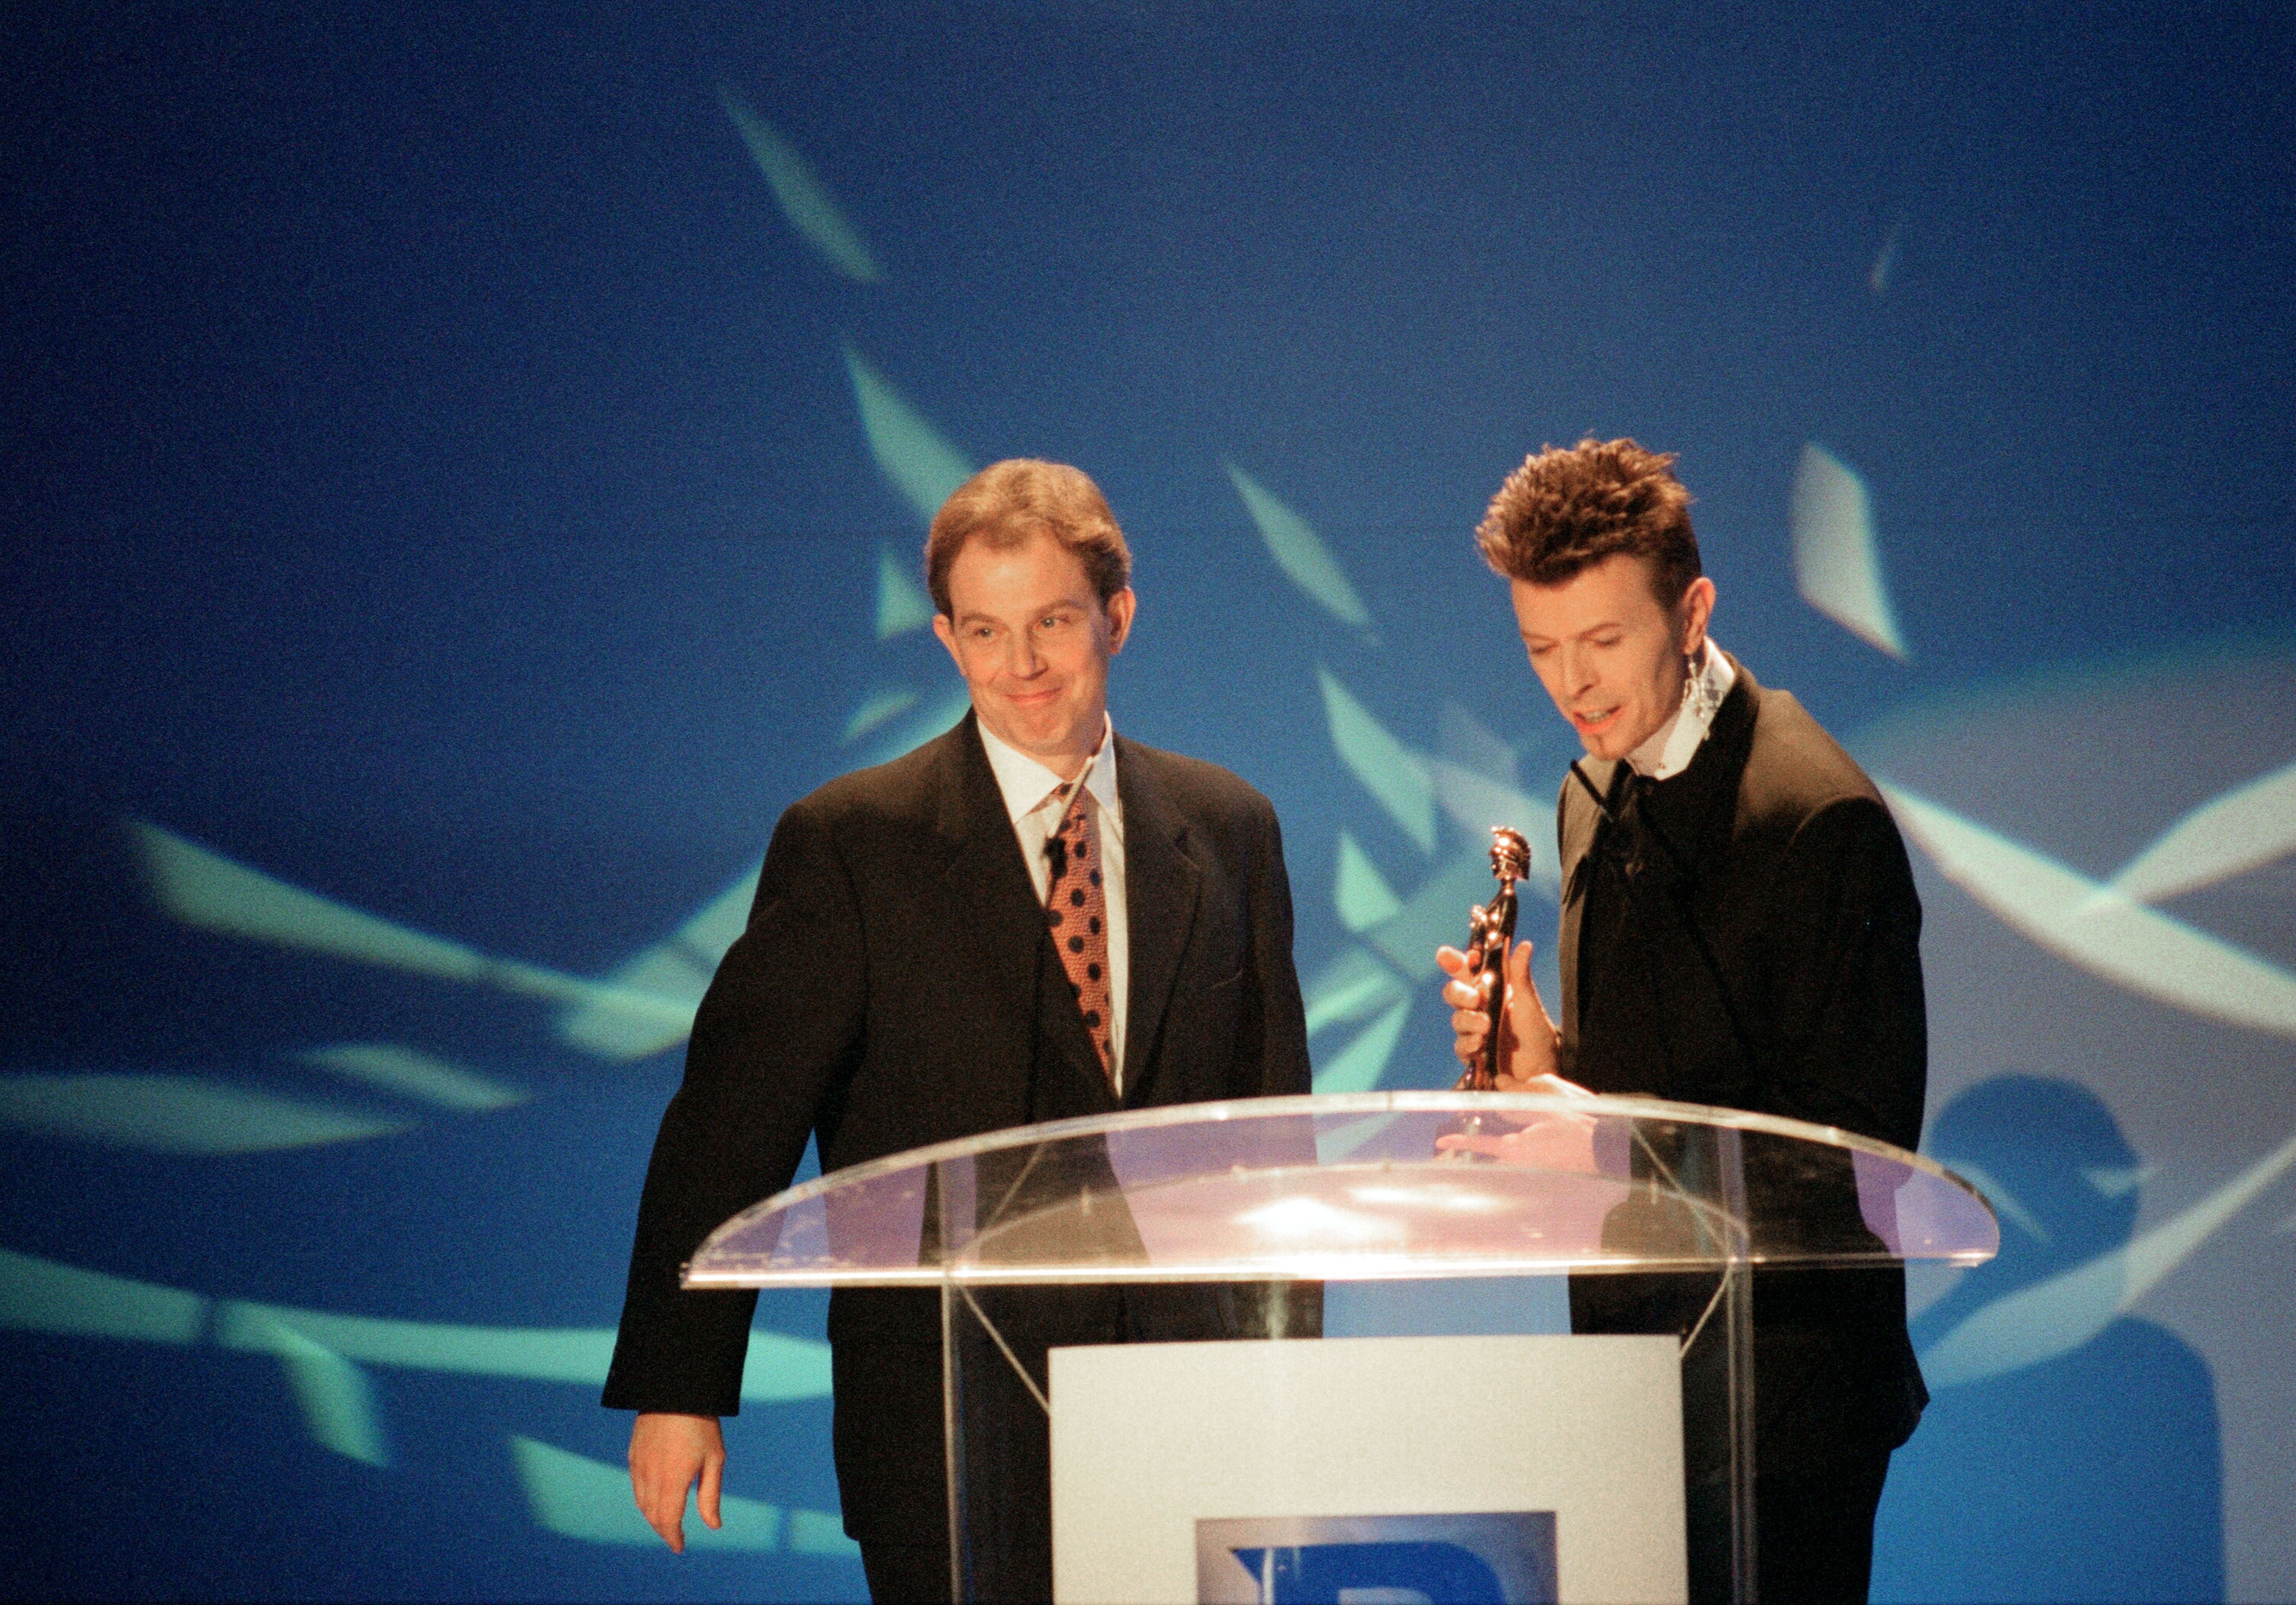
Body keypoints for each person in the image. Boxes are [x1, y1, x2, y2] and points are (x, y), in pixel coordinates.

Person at [603, 459, 1312, 1602]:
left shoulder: (1229, 827)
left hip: (1193, 1414)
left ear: (1118, 618)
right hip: (946, 1428)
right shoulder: (854, 844)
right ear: (946, 639)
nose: (1020, 664)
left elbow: (1273, 1135)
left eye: (1052, 622)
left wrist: (1288, 1383)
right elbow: (728, 1129)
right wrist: (680, 1383)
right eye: (984, 631)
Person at [1436, 437, 1928, 1603]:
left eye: (1603, 641)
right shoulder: (1588, 788)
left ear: (1693, 609)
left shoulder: (1816, 820)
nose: (1572, 683)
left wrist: (1604, 1141)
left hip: (1785, 1400)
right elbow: (1647, 1078)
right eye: (1541, 649)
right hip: (1631, 1372)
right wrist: (1540, 1059)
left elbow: (1855, 1167)